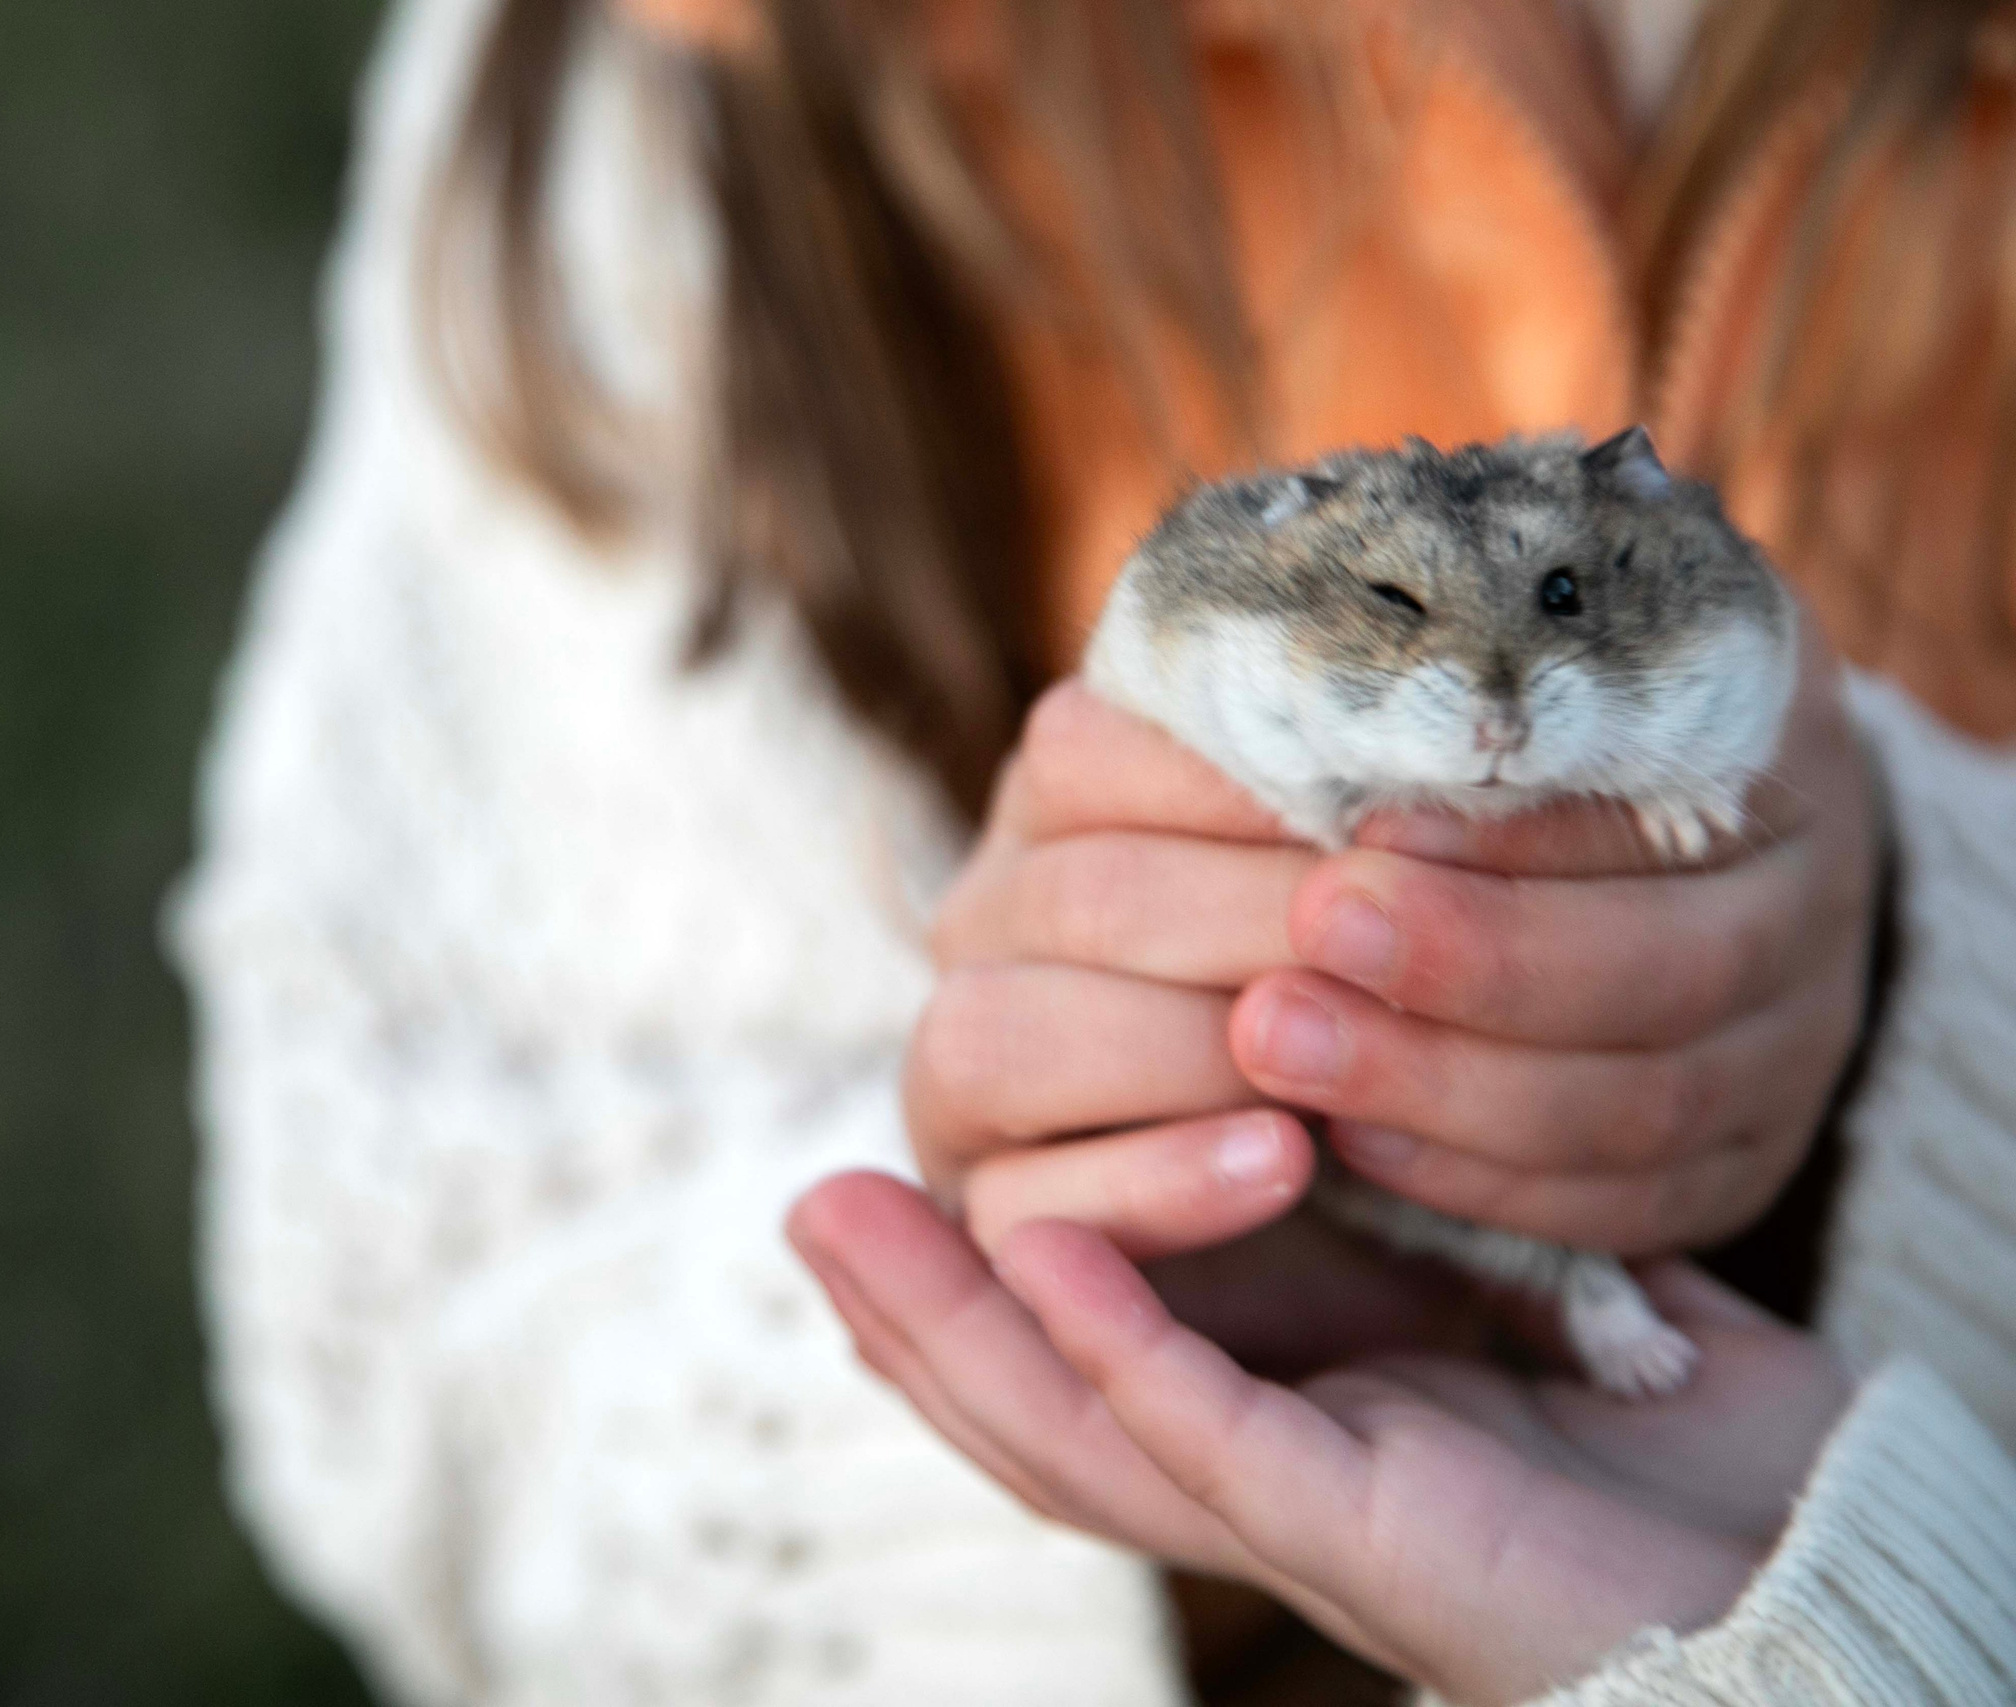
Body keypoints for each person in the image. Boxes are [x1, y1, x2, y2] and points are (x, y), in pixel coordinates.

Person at [169, 0, 2016, 1701]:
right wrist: (1087, 1399)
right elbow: (420, 1341)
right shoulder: (659, 100)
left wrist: (1925, 1014)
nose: (1492, 721)